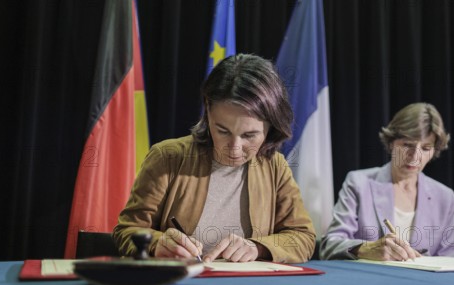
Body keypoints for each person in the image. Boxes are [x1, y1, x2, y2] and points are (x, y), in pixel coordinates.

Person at [113, 54, 316, 263]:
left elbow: (303, 238)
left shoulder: (275, 167)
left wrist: (258, 248)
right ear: (208, 110)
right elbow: (127, 231)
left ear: (270, 127)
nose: (235, 148)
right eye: (222, 131)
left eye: (249, 135)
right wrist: (157, 243)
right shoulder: (167, 158)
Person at [320, 103, 454, 260]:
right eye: (407, 145)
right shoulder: (358, 183)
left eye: (425, 148)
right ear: (391, 143)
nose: (415, 156)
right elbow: (329, 246)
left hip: (423, 283)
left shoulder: (445, 197)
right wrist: (366, 249)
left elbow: (448, 261)